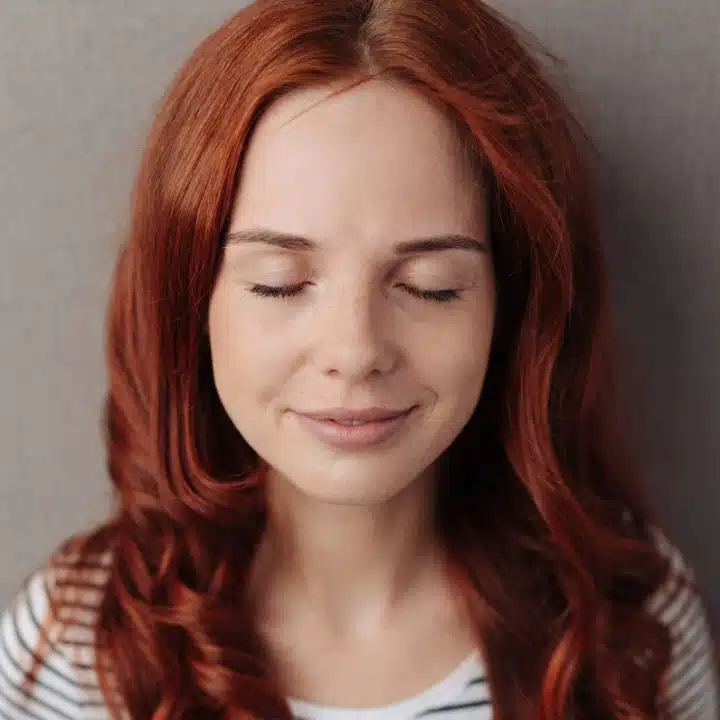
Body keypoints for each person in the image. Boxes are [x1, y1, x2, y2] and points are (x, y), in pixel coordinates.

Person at [1, 0, 718, 717]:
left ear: (510, 307)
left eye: (429, 288)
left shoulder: (630, 619)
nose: (355, 352)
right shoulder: (74, 648)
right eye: (278, 283)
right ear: (190, 302)